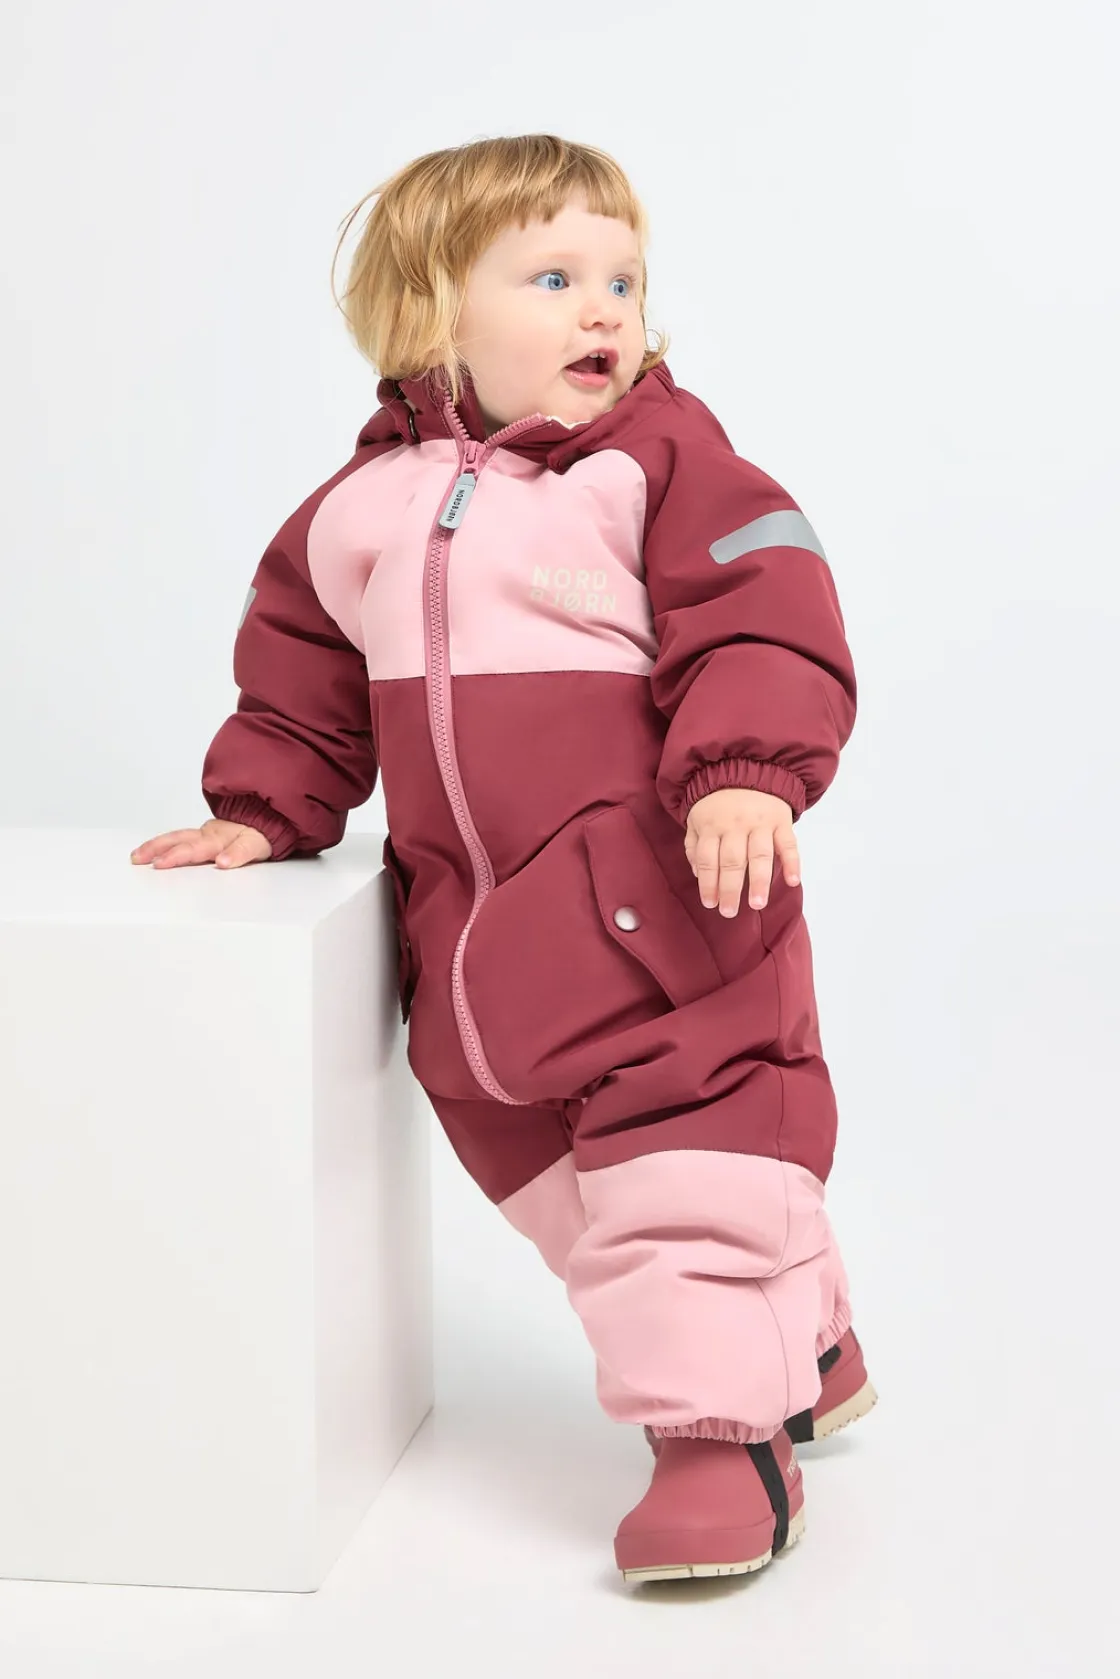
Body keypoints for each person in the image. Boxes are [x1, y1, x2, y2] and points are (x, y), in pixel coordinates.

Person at [131, 132, 877, 1586]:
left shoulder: (664, 464)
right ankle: (810, 1343)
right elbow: (302, 682)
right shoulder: (357, 512)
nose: (606, 309)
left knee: (682, 1186)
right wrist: (269, 803)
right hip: (477, 975)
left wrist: (744, 770)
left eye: (624, 280)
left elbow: (768, 606)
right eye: (555, 277)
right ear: (431, 311)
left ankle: (721, 1442)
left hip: (673, 933)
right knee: (574, 1206)